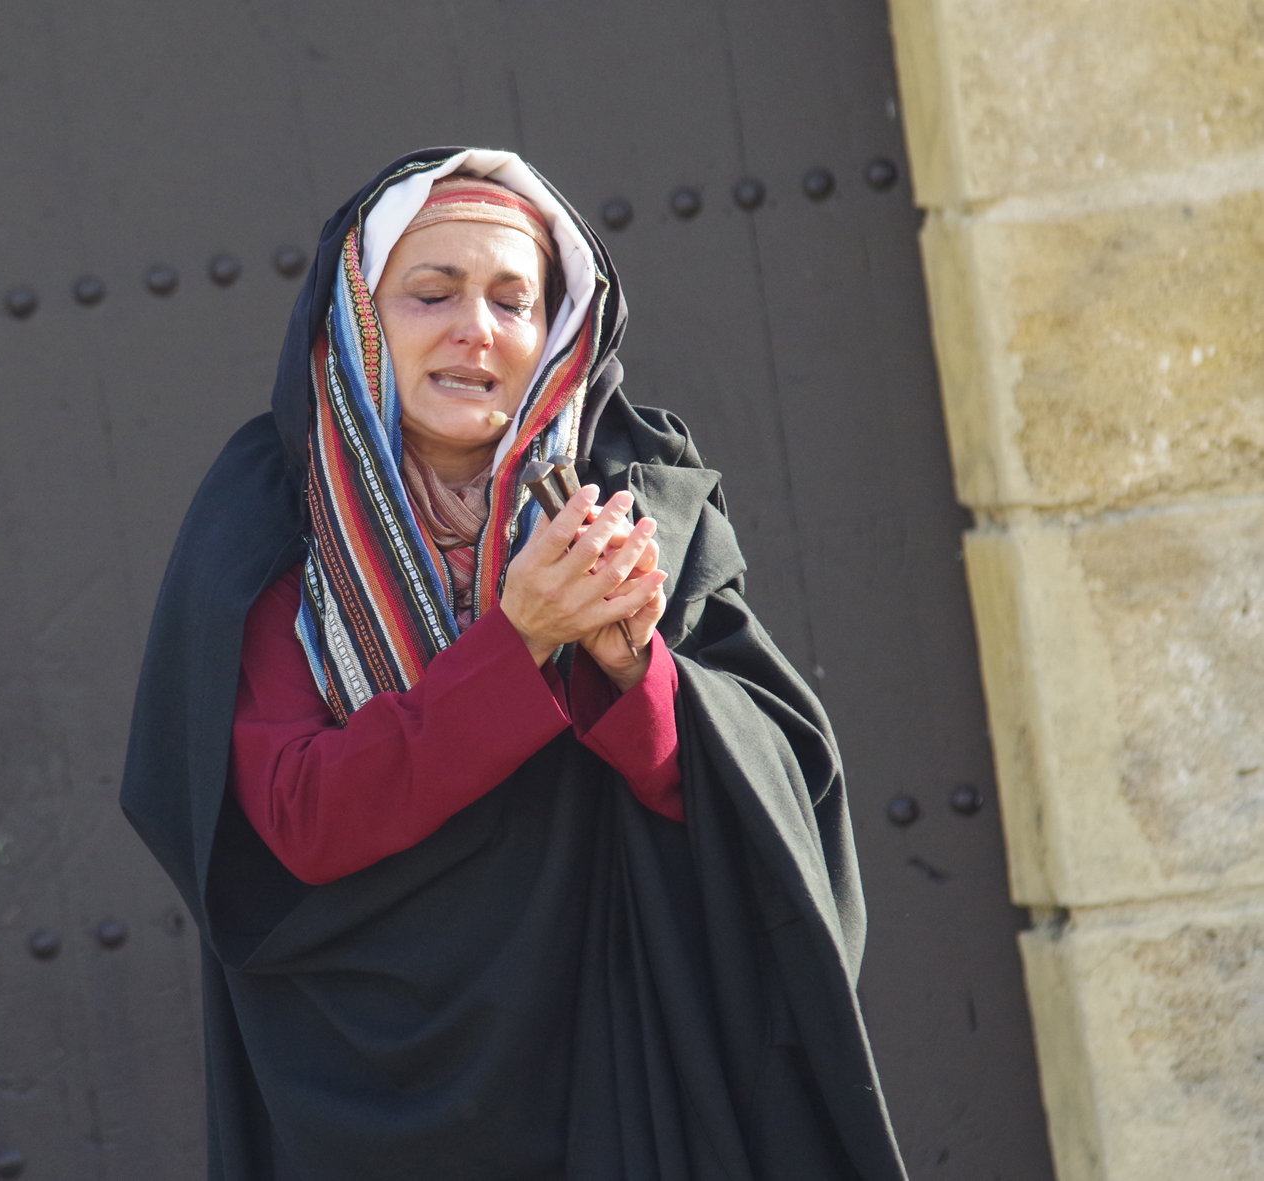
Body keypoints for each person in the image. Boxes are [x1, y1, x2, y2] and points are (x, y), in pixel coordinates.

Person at [122, 148, 908, 1181]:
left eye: (511, 300)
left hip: (620, 1065)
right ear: (360, 317)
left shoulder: (633, 501)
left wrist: (634, 676)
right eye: (431, 293)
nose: (475, 330)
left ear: (557, 329)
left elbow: (753, 802)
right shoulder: (272, 526)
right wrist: (519, 638)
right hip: (373, 1091)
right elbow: (301, 822)